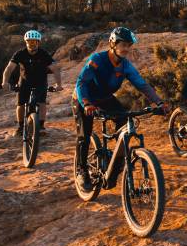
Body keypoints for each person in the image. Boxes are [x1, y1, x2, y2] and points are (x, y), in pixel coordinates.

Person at [72, 26, 168, 189]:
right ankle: (82, 171)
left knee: (124, 120)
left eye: (129, 45)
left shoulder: (125, 66)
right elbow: (82, 83)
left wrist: (159, 102)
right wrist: (86, 103)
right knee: (85, 134)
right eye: (123, 44)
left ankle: (115, 162)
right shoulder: (97, 59)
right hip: (84, 98)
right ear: (113, 44)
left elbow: (142, 85)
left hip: (106, 98)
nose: (126, 49)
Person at [1, 30, 63, 137]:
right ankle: (20, 127)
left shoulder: (44, 54)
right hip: (24, 81)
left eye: (34, 42)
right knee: (20, 104)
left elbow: (55, 69)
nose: (32, 44)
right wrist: (4, 82)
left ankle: (41, 126)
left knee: (41, 102)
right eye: (29, 42)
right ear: (26, 42)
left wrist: (59, 85)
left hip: (40, 81)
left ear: (38, 43)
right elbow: (9, 68)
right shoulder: (20, 53)